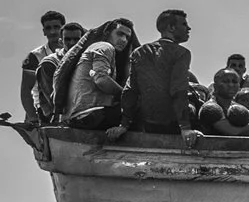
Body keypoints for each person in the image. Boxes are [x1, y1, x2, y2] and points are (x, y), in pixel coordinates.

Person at [124, 8, 194, 136]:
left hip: (147, 121)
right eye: (184, 24)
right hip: (171, 122)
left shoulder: (139, 52)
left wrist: (123, 125)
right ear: (171, 28)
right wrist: (185, 128)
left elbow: (130, 90)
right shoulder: (181, 53)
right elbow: (178, 90)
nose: (188, 28)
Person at [58, 19, 134, 133]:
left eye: (127, 37)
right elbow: (101, 80)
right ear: (107, 33)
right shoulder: (105, 47)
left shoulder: (99, 48)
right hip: (87, 115)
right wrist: (127, 96)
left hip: (78, 116)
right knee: (139, 108)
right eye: (120, 34)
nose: (123, 40)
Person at [19, 10, 68, 123]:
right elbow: (26, 89)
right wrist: (32, 116)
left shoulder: (75, 49)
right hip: (44, 110)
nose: (52, 31)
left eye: (56, 27)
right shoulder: (35, 56)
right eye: (48, 28)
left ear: (63, 29)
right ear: (44, 31)